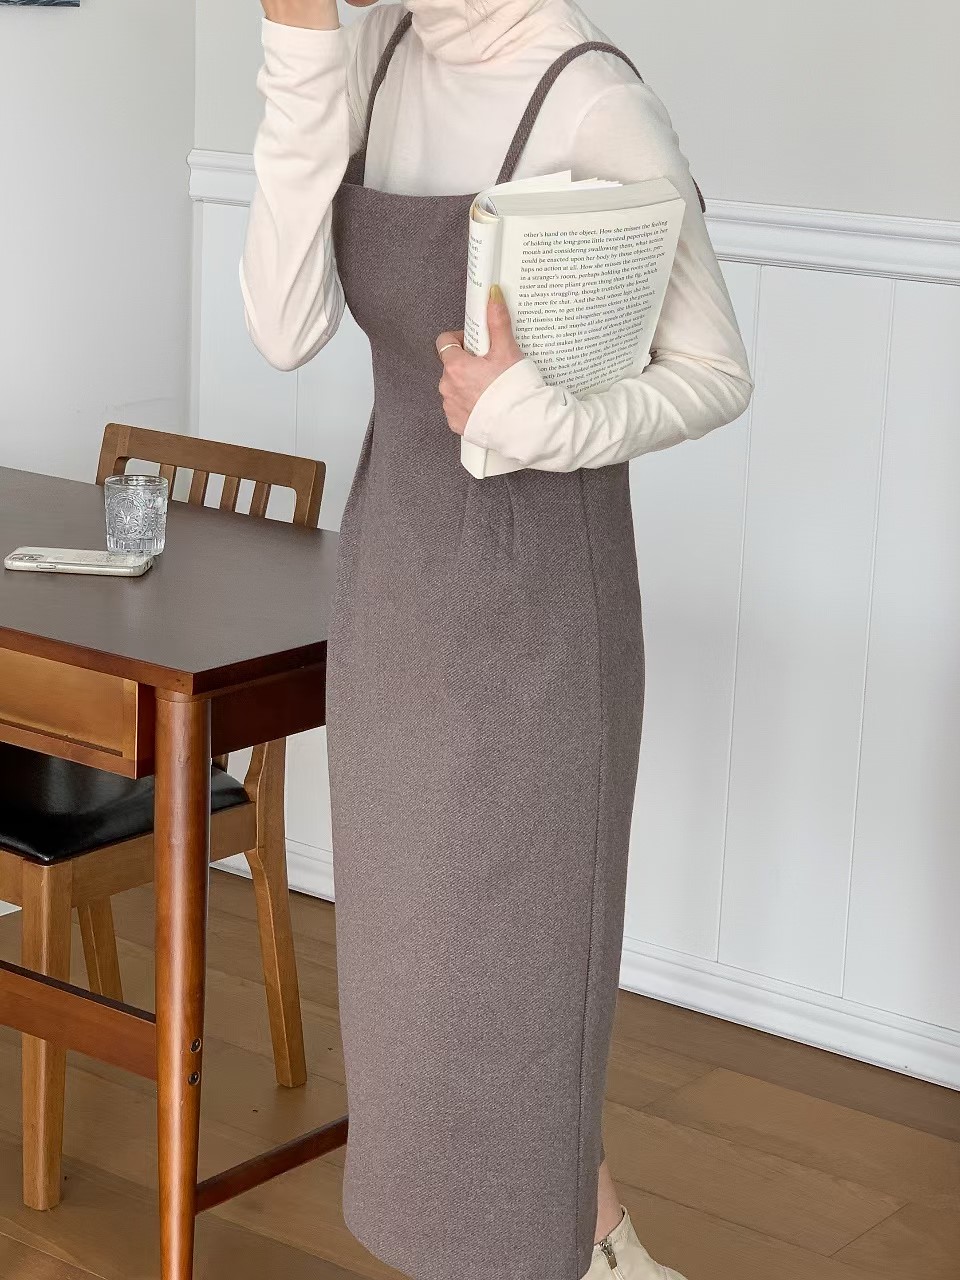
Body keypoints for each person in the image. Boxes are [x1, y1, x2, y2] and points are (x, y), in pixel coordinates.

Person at [241, 2, 753, 1277]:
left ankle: (568, 1250)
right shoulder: (376, 51)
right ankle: (603, 1249)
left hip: (540, 622)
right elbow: (283, 323)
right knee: (418, 1000)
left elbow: (717, 369)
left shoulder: (593, 98)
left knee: (512, 990)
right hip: (397, 590)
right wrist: (299, 50)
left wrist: (545, 418)